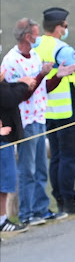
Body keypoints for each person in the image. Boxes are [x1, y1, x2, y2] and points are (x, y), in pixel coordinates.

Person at [1, 18, 72, 226]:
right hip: (25, 118)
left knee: (41, 166)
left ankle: (41, 208)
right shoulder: (10, 61)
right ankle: (27, 212)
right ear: (27, 36)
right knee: (27, 168)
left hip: (40, 115)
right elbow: (20, 94)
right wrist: (41, 74)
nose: (39, 37)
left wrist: (57, 76)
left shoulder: (35, 56)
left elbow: (41, 88)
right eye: (36, 33)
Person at [35, 7, 75, 215]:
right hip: (68, 110)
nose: (66, 29)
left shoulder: (38, 46)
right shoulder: (62, 48)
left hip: (48, 110)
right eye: (66, 26)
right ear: (59, 27)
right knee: (69, 156)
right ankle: (70, 200)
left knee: (57, 157)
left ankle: (60, 198)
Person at [0, 62, 35, 234]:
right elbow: (8, 98)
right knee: (5, 180)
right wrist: (23, 85)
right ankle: (2, 220)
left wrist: (20, 83)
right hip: (2, 138)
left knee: (7, 180)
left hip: (5, 136)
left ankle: (3, 219)